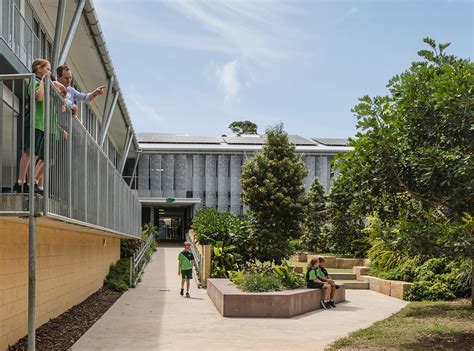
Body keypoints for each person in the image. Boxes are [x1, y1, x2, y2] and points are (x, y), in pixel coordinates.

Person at [13, 58, 50, 194]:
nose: (49, 72)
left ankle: (28, 183)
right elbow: (38, 97)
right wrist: (44, 81)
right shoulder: (34, 81)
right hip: (34, 121)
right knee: (28, 153)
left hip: (41, 124)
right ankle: (20, 182)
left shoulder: (43, 83)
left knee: (34, 155)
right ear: (39, 69)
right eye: (47, 69)